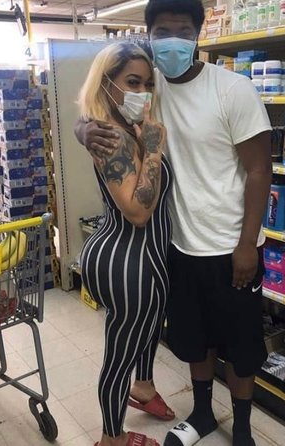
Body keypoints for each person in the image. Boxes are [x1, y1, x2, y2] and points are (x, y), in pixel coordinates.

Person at [75, 1, 273, 445]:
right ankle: (202, 414)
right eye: (162, 32)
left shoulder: (233, 89)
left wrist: (247, 243)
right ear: (149, 35)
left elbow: (260, 169)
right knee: (195, 342)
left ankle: (242, 428)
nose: (172, 42)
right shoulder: (150, 85)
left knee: (241, 349)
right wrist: (82, 130)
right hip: (179, 248)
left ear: (199, 34)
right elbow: (101, 98)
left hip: (230, 246)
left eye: (183, 31)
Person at [78, 42, 175, 446]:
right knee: (120, 356)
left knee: (144, 329)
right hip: (130, 261)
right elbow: (138, 211)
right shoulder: (115, 137)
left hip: (134, 255)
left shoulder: (113, 126)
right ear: (106, 84)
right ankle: (112, 439)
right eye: (132, 82)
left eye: (148, 84)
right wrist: (153, 149)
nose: (142, 92)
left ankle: (144, 387)